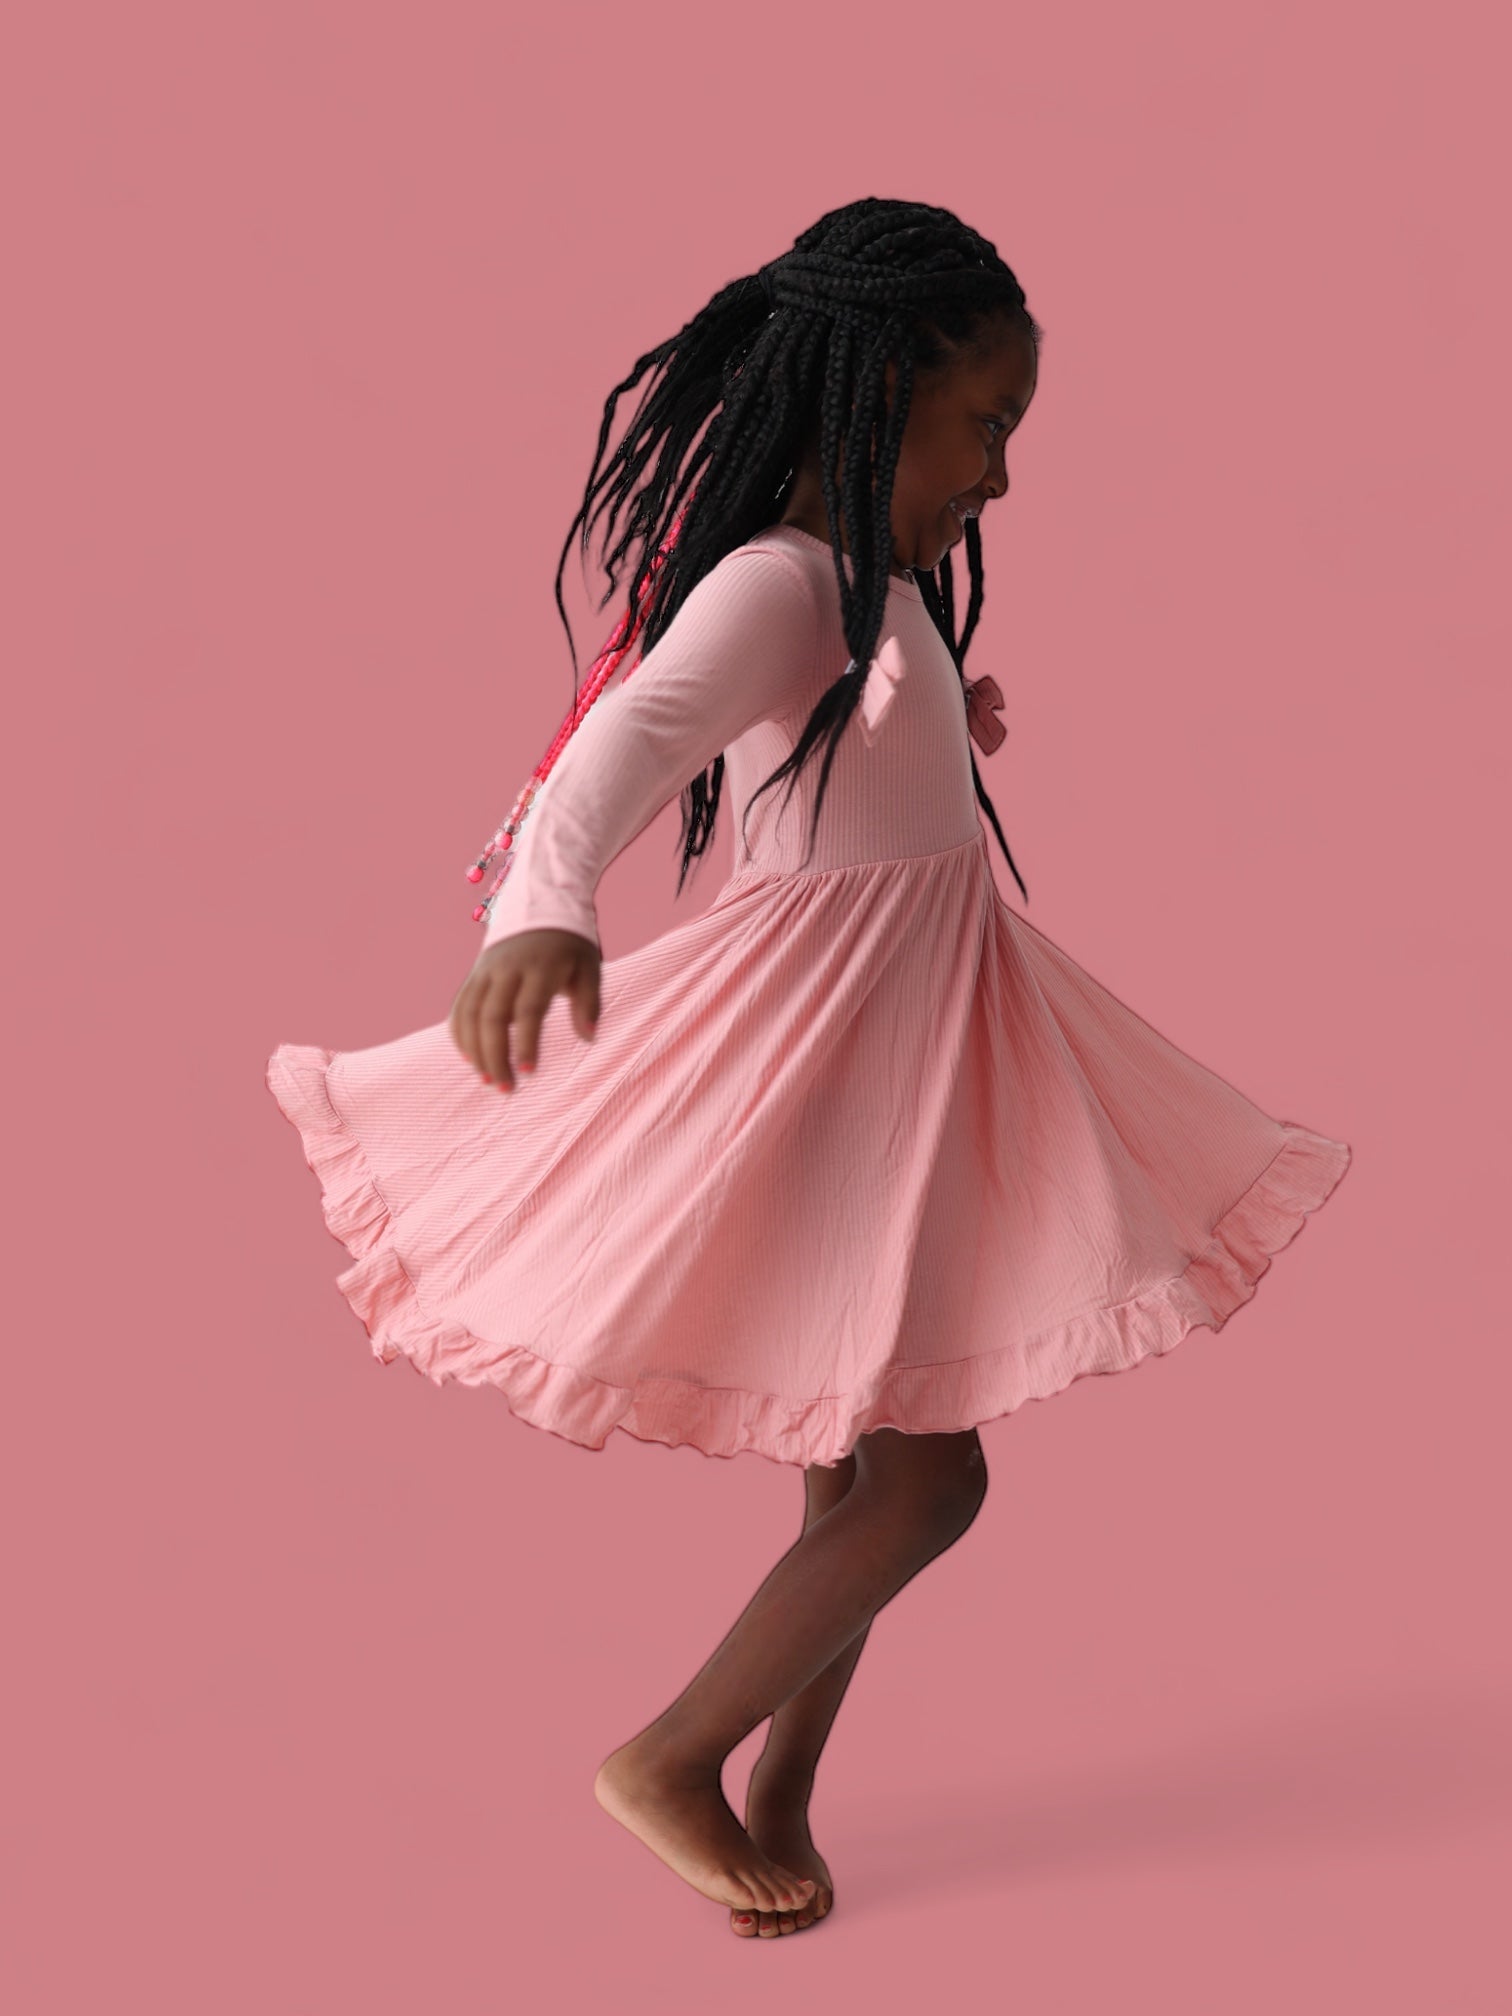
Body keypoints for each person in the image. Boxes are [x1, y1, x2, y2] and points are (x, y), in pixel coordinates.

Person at [265, 197, 1352, 1940]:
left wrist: (944, 718)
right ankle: (670, 1758)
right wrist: (540, 913)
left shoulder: (874, 590)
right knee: (930, 1479)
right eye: (985, 424)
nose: (1001, 473)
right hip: (834, 1058)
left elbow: (858, 771)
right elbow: (621, 743)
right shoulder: (782, 585)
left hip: (916, 1047)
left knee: (852, 1467)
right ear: (880, 392)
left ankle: (780, 1785)